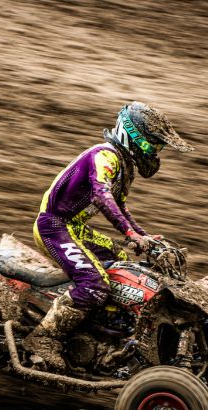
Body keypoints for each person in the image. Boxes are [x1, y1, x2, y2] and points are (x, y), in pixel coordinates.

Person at [23, 101, 194, 372]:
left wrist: (145, 237)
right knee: (95, 283)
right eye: (152, 146)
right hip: (53, 226)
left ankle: (99, 327)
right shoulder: (105, 156)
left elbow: (121, 206)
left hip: (74, 227)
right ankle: (44, 338)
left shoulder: (124, 167)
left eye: (158, 148)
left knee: (123, 264)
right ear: (134, 137)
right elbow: (102, 196)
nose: (155, 153)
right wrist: (130, 233)